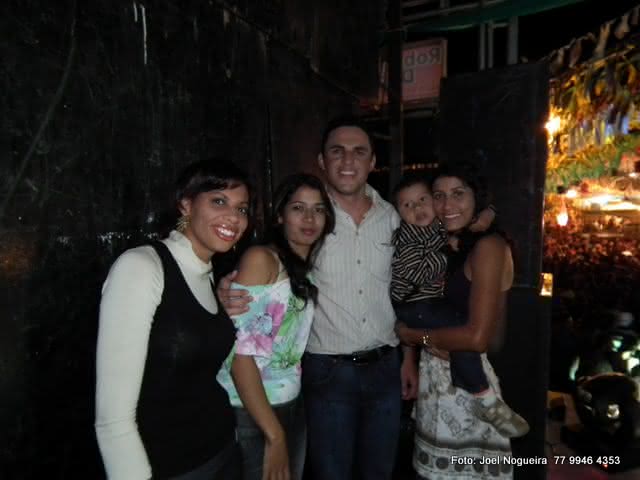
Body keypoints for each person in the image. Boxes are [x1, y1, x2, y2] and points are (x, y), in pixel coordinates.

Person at [219, 116, 419, 479]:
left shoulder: (393, 216)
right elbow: (262, 281)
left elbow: (406, 285)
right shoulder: (310, 219)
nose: (348, 160)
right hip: (327, 371)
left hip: (385, 367)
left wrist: (408, 357)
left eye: (359, 152)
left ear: (373, 161)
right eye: (337, 151)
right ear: (322, 161)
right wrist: (226, 289)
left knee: (380, 471)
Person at [95, 159, 251, 480]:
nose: (234, 217)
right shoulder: (141, 267)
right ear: (186, 204)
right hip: (169, 466)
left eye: (242, 208)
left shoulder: (208, 273)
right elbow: (113, 420)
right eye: (219, 201)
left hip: (222, 448)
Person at [396, 163, 523, 479]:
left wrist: (414, 336)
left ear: (475, 197)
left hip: (469, 388)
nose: (447, 204)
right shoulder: (454, 241)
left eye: (458, 194)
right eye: (438, 195)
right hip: (437, 380)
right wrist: (411, 355)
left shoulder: (489, 247)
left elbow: (479, 339)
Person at [216, 173, 336, 480]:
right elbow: (239, 356)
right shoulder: (262, 259)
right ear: (280, 215)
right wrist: (275, 434)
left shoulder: (302, 269)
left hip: (289, 403)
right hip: (250, 410)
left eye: (319, 209)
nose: (309, 218)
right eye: (298, 208)